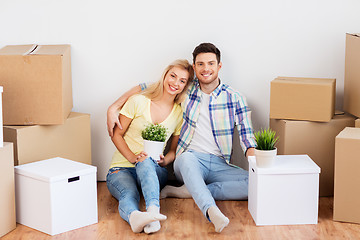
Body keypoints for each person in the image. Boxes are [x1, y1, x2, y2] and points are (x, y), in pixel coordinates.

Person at [107, 43, 256, 233]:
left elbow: (247, 138)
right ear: (195, 67)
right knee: (184, 158)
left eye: (211, 63)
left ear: (219, 66)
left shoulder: (235, 98)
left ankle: (188, 191)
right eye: (200, 64)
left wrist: (258, 166)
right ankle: (211, 210)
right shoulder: (186, 90)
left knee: (257, 183)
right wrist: (113, 107)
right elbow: (148, 86)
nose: (206, 68)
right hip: (189, 159)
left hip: (220, 163)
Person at [106, 59, 194, 234]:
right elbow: (116, 134)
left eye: (182, 81)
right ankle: (135, 217)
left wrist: (164, 161)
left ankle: (153, 212)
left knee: (146, 161)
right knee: (128, 195)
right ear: (165, 76)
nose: (175, 83)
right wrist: (132, 157)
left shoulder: (179, 112)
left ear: (185, 86)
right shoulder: (138, 101)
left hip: (153, 170)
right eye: (173, 76)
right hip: (121, 169)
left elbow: (173, 151)